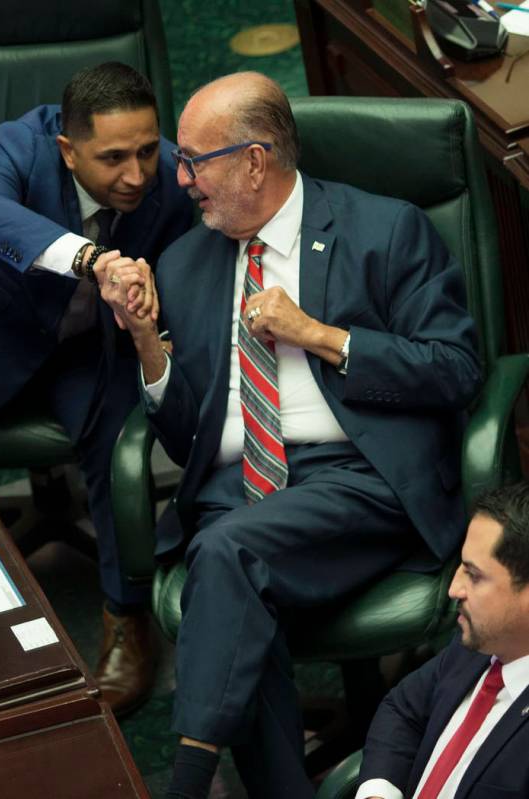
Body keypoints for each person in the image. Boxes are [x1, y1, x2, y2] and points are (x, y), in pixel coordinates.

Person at [101, 71, 481, 797]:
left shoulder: (382, 229)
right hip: (234, 487)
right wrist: (148, 341)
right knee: (240, 588)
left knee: (227, 553)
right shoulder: (186, 263)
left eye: (194, 160)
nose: (178, 179)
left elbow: (456, 369)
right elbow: (185, 440)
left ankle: (185, 778)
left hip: (355, 474)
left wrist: (319, 334)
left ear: (254, 159)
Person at [0, 61, 193, 715]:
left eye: (144, 151)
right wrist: (90, 258)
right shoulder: (20, 144)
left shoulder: (170, 175)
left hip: (88, 349)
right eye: (112, 159)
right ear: (67, 149)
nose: (135, 175)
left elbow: (193, 262)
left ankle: (126, 616)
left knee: (116, 457)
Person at [355, 481, 529, 799]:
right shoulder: (475, 645)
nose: (453, 589)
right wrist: (379, 791)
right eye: (460, 566)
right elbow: (403, 710)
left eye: (474, 575)